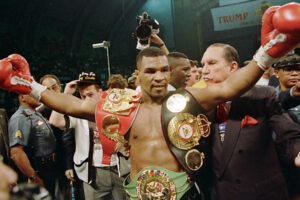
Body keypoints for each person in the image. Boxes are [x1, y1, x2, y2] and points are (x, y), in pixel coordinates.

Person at [0, 3, 300, 199]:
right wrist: (31, 86)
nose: (159, 76)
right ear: (138, 74)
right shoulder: (122, 104)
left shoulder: (187, 98)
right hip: (137, 193)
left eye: (164, 70)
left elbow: (231, 87)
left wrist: (268, 53)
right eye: (151, 71)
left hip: (184, 193)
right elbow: (72, 106)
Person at [200, 43, 300, 200]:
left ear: (232, 67)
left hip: (261, 194)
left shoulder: (260, 95)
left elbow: (287, 133)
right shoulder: (201, 104)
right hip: (222, 195)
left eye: (211, 63)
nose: (204, 70)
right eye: (203, 65)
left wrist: (298, 152)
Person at [49, 72, 127, 200]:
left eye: (90, 95)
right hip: (93, 173)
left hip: (120, 170)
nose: (86, 100)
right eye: (83, 96)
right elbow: (54, 121)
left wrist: (124, 140)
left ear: (101, 93)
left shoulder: (117, 108)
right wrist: (65, 94)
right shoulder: (78, 112)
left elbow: (135, 131)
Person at [8, 94, 57, 197]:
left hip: (48, 168)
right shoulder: (20, 117)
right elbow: (16, 152)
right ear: (22, 98)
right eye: (32, 94)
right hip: (37, 169)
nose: (37, 95)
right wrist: (34, 177)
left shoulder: (36, 114)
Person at [39, 74, 74, 200]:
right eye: (47, 89)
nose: (52, 91)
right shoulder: (39, 111)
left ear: (59, 87)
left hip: (69, 159)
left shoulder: (71, 103)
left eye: (54, 87)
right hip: (49, 164)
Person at [273, 52, 300, 199]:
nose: (295, 73)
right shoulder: (267, 97)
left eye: (298, 69)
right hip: (278, 167)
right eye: (289, 69)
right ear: (276, 72)